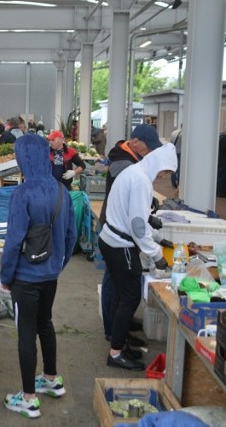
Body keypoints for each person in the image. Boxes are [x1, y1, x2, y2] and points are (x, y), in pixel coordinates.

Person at [0, 133, 77, 419]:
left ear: (22, 158)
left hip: (26, 278)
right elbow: (71, 235)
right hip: (50, 275)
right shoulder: (61, 190)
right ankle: (51, 379)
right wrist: (58, 263)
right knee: (45, 322)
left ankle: (29, 398)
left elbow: (13, 240)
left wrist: (5, 276)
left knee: (25, 333)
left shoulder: (22, 193)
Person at [99, 143, 177, 371]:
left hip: (110, 238)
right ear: (159, 165)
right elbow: (137, 226)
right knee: (130, 297)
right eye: (165, 172)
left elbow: (137, 218)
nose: (163, 176)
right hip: (119, 244)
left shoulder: (134, 172)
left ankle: (119, 341)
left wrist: (158, 238)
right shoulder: (141, 180)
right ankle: (115, 352)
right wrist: (157, 255)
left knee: (120, 294)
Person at [98, 123, 164, 345]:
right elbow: (131, 198)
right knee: (115, 282)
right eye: (148, 147)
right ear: (135, 142)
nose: (150, 152)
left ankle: (120, 325)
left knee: (121, 287)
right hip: (115, 226)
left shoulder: (133, 160)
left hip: (120, 225)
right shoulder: (122, 161)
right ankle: (112, 329)